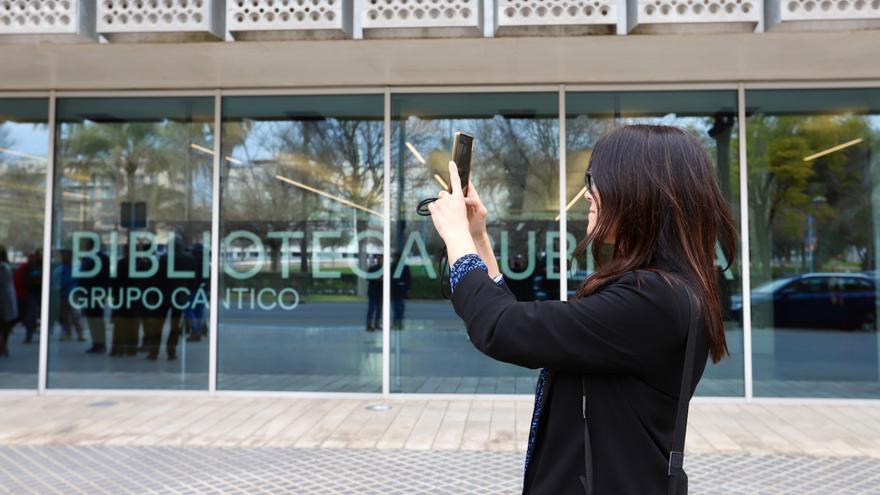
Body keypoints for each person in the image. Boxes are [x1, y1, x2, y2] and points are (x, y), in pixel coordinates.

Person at [427, 125, 737, 494]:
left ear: (638, 191)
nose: (587, 194)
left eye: (595, 179)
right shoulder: (662, 291)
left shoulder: (652, 300)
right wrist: (477, 236)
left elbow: (501, 328)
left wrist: (456, 236)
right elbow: (523, 322)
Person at [0, 246, 19, 357]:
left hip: (4, 300)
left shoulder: (4, 268)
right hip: (6, 300)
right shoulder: (7, 267)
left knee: (4, 324)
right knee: (5, 324)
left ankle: (3, 345)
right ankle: (4, 345)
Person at [366, 254, 383, 331]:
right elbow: (368, 278)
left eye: (381, 259)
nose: (380, 261)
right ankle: (369, 325)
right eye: (379, 259)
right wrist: (377, 279)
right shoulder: (372, 268)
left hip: (381, 292)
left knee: (379, 309)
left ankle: (377, 324)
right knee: (372, 308)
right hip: (373, 292)